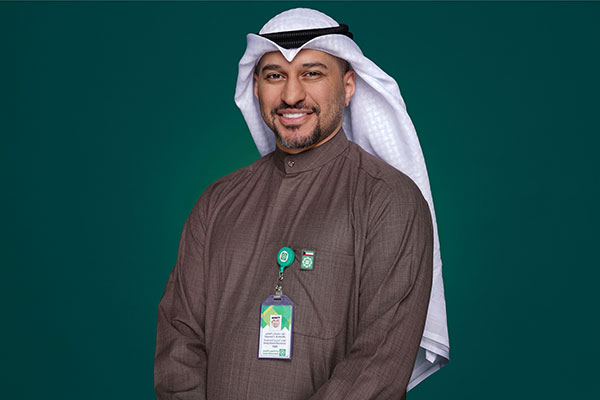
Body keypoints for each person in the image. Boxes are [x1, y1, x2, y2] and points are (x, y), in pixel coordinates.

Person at [155, 8, 449, 399]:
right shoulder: (218, 202)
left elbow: (376, 369)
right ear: (256, 87)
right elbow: (179, 344)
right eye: (275, 75)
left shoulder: (388, 200)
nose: (291, 95)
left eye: (311, 73)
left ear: (348, 86)